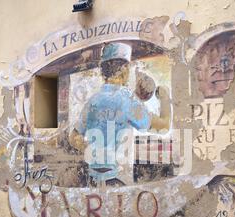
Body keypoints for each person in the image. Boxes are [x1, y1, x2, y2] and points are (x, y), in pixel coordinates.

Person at [69, 42, 170, 186]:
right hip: (118, 181)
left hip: (92, 181)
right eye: (128, 67)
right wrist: (165, 99)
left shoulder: (93, 101)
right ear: (124, 69)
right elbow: (164, 127)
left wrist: (91, 150)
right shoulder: (126, 99)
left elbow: (73, 137)